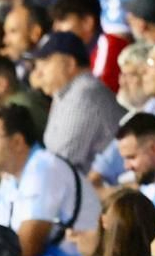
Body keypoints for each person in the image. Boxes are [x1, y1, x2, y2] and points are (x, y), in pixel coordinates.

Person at [0, 104, 101, 256]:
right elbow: (0, 240)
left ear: (17, 141)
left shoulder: (44, 167)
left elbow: (29, 247)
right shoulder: (8, 180)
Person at [28, 32, 122, 173]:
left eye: (45, 64)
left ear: (70, 64)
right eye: (36, 66)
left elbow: (61, 163)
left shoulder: (84, 94)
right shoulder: (66, 92)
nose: (38, 74)